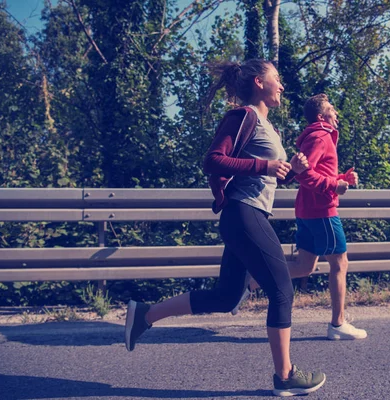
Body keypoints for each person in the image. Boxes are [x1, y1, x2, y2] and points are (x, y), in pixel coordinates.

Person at [124, 59, 326, 397]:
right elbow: (213, 160)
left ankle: (145, 315)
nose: (282, 85)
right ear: (259, 82)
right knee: (281, 290)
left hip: (248, 215)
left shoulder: (269, 127)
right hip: (243, 214)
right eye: (277, 79)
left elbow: (264, 176)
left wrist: (291, 170)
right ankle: (285, 375)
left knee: (225, 296)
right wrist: (266, 164)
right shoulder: (242, 116)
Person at [292, 93, 367, 340]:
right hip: (321, 211)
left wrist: (342, 179)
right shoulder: (320, 136)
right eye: (332, 110)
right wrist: (334, 186)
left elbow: (316, 173)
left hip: (308, 209)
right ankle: (337, 325)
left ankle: (251, 283)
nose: (336, 114)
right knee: (340, 263)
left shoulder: (319, 137)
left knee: (304, 267)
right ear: (322, 116)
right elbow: (302, 174)